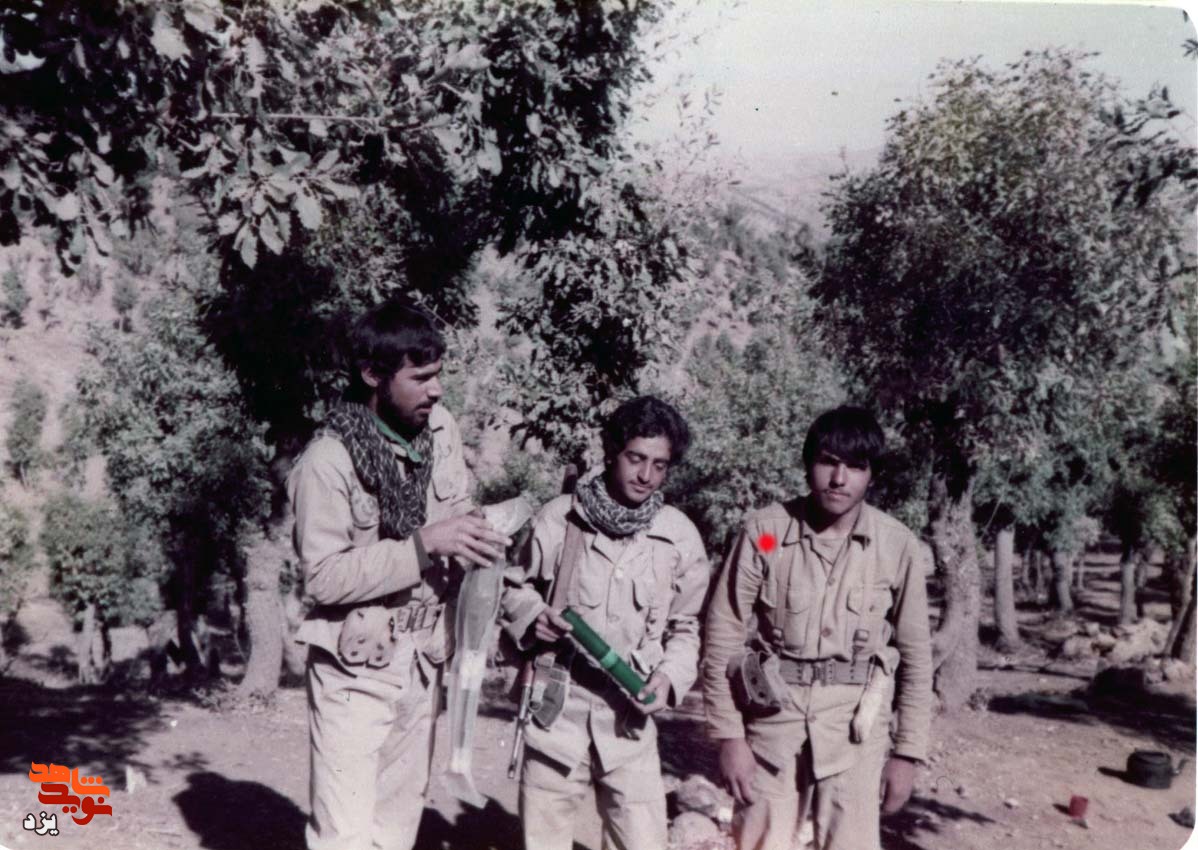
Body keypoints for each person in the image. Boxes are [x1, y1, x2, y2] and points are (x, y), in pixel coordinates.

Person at [288, 300, 510, 850]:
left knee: (395, 827)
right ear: (372, 375)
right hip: (355, 669)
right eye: (420, 378)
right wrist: (424, 545)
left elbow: (455, 508)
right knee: (344, 835)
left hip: (423, 659)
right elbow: (322, 578)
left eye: (438, 375)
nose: (436, 390)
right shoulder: (326, 462)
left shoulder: (440, 429)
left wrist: (477, 537)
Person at [702, 406, 933, 850]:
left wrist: (907, 752)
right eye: (828, 462)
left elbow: (916, 657)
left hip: (855, 732)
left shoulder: (895, 547)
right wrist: (729, 735)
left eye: (856, 467)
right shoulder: (767, 535)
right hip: (772, 724)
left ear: (872, 474)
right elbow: (723, 633)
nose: (839, 479)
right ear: (808, 464)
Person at [500, 396, 710, 850]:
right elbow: (514, 588)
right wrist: (534, 618)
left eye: (659, 465)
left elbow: (686, 627)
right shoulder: (560, 519)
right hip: (556, 718)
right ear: (612, 452)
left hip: (629, 725)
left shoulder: (678, 537)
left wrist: (670, 678)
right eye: (636, 458)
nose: (646, 475)